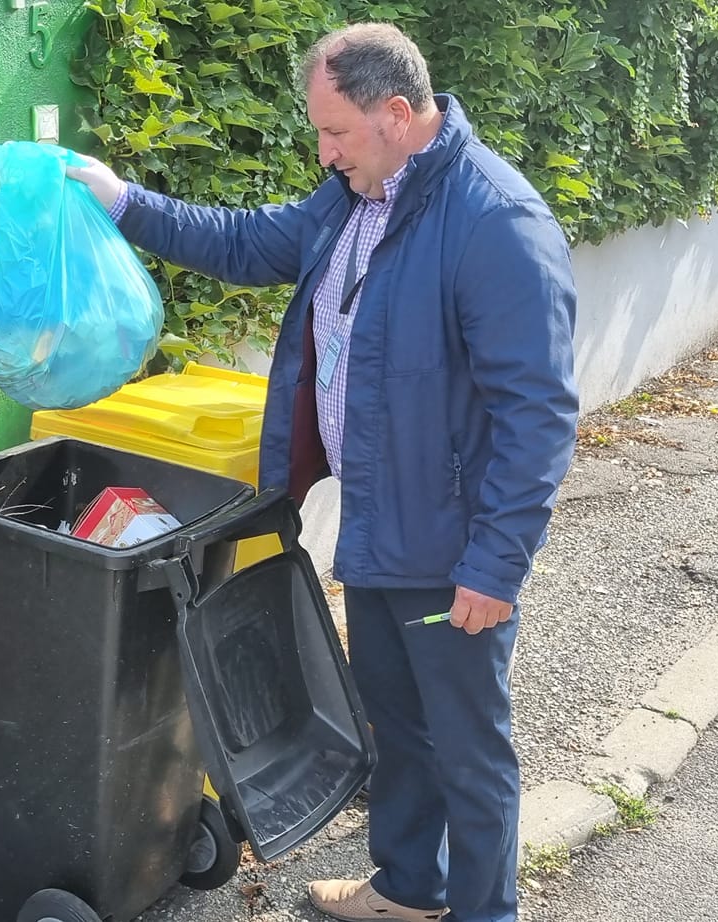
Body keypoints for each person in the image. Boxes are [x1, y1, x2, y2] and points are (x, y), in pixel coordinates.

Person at [63, 22, 579, 922]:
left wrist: (496, 565)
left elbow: (538, 415)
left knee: (468, 748)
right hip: (379, 523)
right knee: (399, 727)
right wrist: (124, 203)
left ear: (396, 113)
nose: (323, 151)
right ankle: (411, 890)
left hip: (448, 543)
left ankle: (488, 911)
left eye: (335, 133)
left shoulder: (496, 224)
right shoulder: (357, 197)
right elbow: (249, 242)